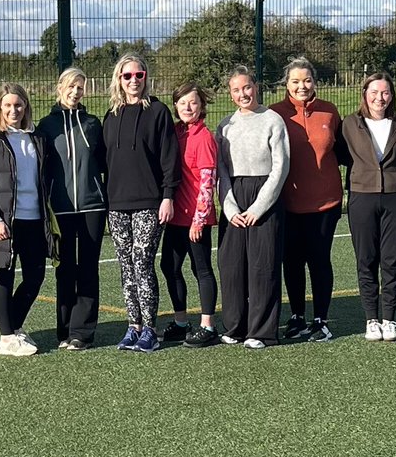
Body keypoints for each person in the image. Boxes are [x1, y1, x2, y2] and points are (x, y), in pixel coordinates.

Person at [103, 53, 179, 353]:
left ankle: (150, 329)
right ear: (119, 80)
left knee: (142, 264)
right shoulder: (111, 116)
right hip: (117, 204)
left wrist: (168, 196)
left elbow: (169, 158)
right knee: (125, 267)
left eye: (139, 75)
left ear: (146, 78)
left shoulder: (158, 112)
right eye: (127, 76)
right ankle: (132, 327)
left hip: (150, 202)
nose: (134, 80)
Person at [271, 57, 349, 342]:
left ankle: (321, 319)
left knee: (319, 260)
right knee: (291, 261)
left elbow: (343, 150)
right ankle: (297, 316)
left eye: (306, 80)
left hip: (326, 203)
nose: (302, 86)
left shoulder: (330, 112)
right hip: (288, 203)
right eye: (295, 81)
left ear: (314, 82)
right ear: (286, 84)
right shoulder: (275, 114)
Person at [0, 82, 51, 357]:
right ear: (0, 107)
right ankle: (7, 338)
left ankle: (13, 328)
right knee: (4, 275)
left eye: (18, 104)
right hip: (6, 219)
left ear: (26, 106)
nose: (13, 110)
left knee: (35, 276)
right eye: (7, 105)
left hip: (34, 218)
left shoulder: (34, 137)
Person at [215, 67, 289, 349]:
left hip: (265, 200)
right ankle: (235, 327)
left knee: (263, 266)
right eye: (236, 90)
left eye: (246, 87)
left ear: (255, 87)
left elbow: (280, 167)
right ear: (231, 94)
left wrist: (258, 208)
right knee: (231, 266)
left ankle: (262, 331)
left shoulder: (273, 120)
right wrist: (231, 209)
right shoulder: (224, 125)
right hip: (234, 197)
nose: (242, 94)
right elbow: (221, 169)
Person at [341, 72, 396, 342]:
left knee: (392, 260)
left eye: (385, 92)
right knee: (366, 260)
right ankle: (371, 319)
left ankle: (389, 319)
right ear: (365, 94)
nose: (379, 98)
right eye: (374, 92)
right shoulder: (350, 124)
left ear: (392, 95)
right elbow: (340, 155)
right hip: (362, 197)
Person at [37, 67, 107, 351]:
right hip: (60, 210)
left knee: (88, 269)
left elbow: (104, 162)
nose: (76, 92)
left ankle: (83, 332)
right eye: (71, 86)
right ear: (60, 88)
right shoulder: (46, 125)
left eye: (80, 87)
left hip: (92, 207)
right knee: (64, 270)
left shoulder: (92, 123)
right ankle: (64, 330)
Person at [158, 82, 219, 348]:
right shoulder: (175, 132)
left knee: (201, 269)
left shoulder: (203, 137)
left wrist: (199, 219)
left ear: (201, 106)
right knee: (169, 266)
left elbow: (207, 181)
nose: (187, 107)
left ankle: (208, 326)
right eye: (182, 102)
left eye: (192, 102)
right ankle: (182, 322)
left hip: (196, 219)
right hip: (176, 218)